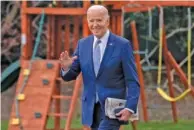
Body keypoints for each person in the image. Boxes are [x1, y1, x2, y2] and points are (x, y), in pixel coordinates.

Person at [59, 5, 140, 130]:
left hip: (113, 109)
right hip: (90, 109)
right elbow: (71, 75)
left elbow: (132, 81)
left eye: (99, 20)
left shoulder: (122, 45)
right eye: (91, 21)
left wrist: (130, 107)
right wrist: (66, 68)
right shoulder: (83, 44)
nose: (95, 24)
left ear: (107, 21)